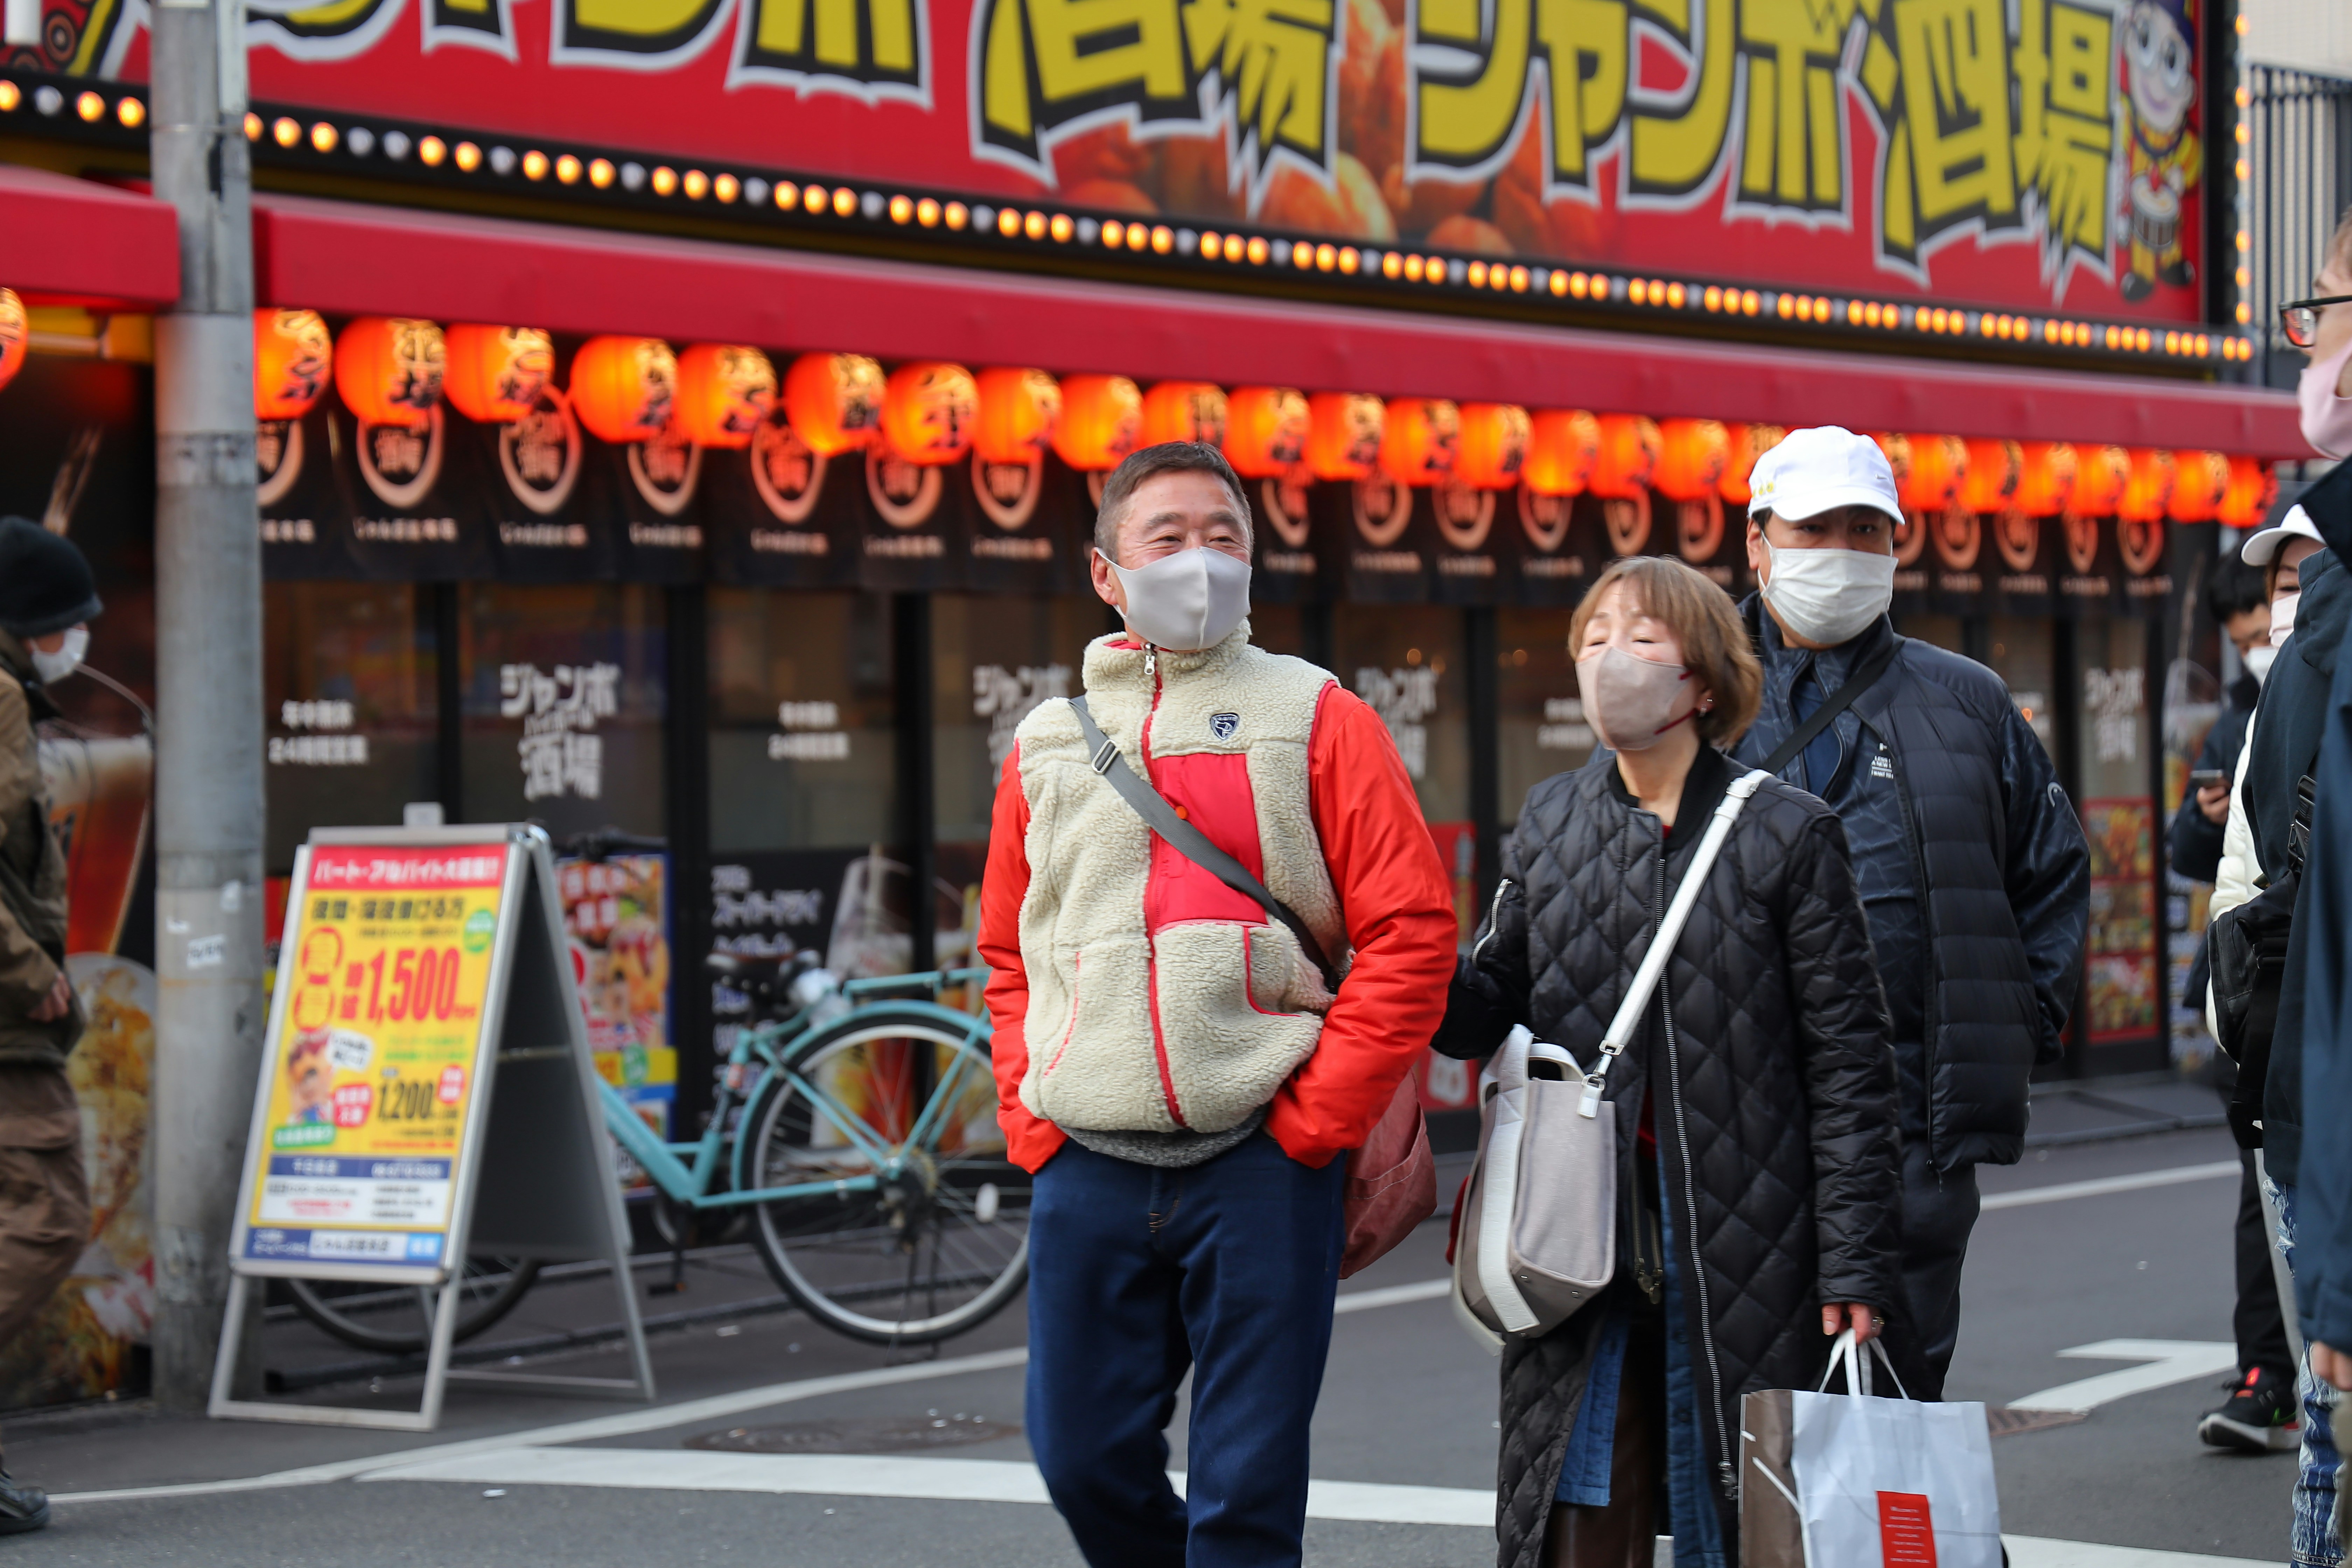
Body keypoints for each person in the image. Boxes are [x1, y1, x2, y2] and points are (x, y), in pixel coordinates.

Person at [976, 442, 1457, 1568]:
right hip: (1085, 1156)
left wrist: (1313, 1122)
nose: (1200, 560)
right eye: (1169, 539)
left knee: (1247, 1491)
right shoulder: (1048, 744)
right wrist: (1029, 1117)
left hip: (1261, 1157)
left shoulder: (1318, 714)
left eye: (1225, 536)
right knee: (1081, 1457)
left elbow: (1412, 931)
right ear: (1107, 572)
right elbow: (1008, 951)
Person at [1436, 554, 1898, 1568]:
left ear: (1702, 677)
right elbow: (1483, 1005)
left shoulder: (1786, 834)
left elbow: (1850, 1069)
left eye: (1642, 639)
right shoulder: (1554, 819)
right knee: (1577, 1496)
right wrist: (1396, 950)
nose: (1611, 660)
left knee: (1725, 1503)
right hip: (1577, 1225)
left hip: (1743, 1234)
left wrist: (1857, 1260)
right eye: (1594, 639)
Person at [1727, 427, 2089, 1401]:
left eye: (1865, 529)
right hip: (1731, 1116)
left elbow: (2051, 874)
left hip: (1909, 1127)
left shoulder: (1966, 700)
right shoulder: (1702, 690)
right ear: (1756, 541)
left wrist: (2014, 1028)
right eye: (1814, 529)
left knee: (1894, 1403)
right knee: (1742, 1421)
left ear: (1897, 546)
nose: (1841, 550)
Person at [2168, 550, 2296, 1451]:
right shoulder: (2236, 718)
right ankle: (2268, 1371)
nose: (2259, 645)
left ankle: (2283, 1370)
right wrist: (2206, 819)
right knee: (2263, 1190)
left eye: (2274, 614)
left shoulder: (2321, 692)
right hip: (2247, 991)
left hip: (2306, 980)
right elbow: (2184, 845)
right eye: (2247, 634)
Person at [0, 516, 99, 1536]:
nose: (76, 641)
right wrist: (34, 977)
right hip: (3, 1020)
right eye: (64, 622)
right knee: (47, 1215)